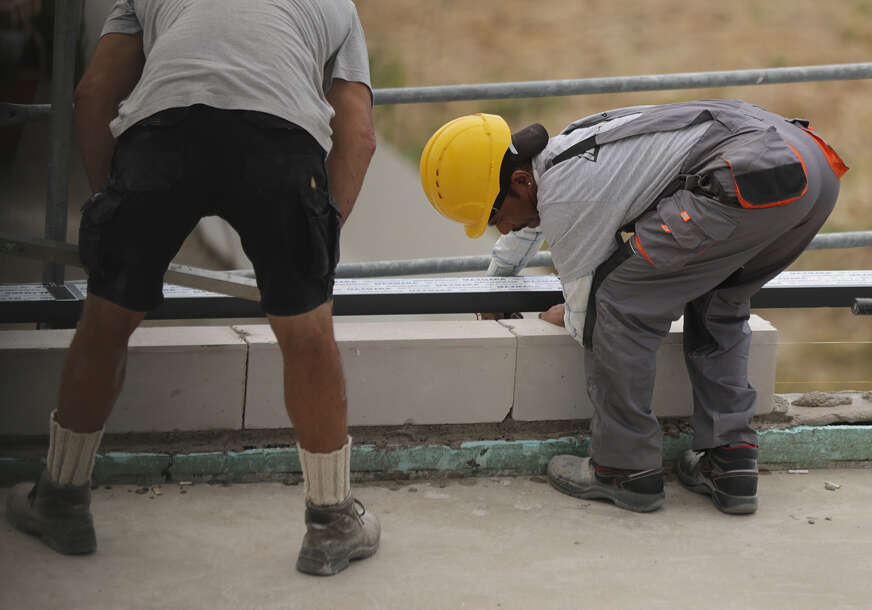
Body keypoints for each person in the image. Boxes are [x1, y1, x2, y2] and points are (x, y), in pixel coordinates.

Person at [6, 0, 378, 576]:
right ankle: (331, 524)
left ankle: (61, 499)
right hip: (279, 144)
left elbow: (93, 92)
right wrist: (319, 239)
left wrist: (114, 201)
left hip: (163, 136)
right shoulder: (336, 5)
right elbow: (358, 130)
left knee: (106, 322)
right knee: (307, 334)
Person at [420, 100, 847, 514]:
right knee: (719, 298)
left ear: (519, 182)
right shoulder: (561, 152)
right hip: (806, 168)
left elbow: (586, 312)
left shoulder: (567, 195)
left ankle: (624, 469)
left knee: (618, 305)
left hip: (741, 175)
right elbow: (528, 223)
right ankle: (730, 463)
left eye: (496, 214)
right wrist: (494, 285)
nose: (502, 226)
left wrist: (561, 312)